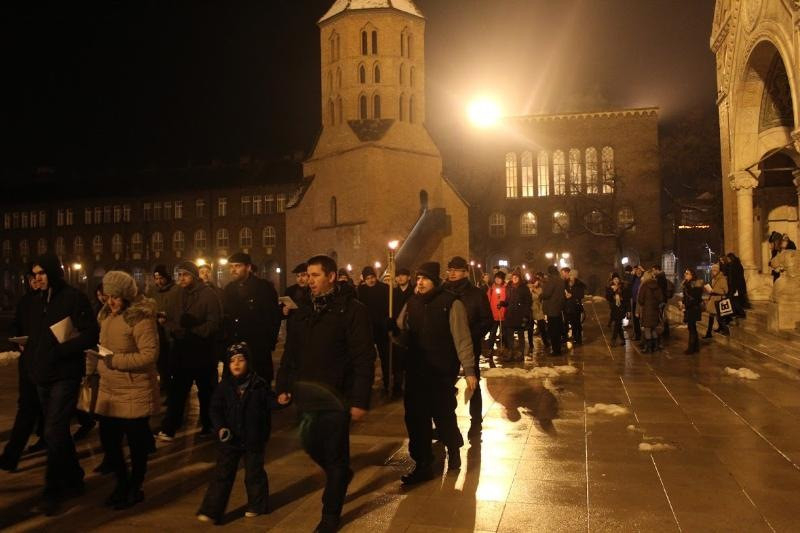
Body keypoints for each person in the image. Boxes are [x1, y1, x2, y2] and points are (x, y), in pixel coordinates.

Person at [275, 255, 375, 533]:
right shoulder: (302, 310)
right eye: (308, 275)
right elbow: (291, 353)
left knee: (335, 454)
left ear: (331, 277)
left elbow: (363, 358)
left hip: (336, 396)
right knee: (311, 444)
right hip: (308, 394)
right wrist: (283, 385)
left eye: (315, 275)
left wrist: (359, 400)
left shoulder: (352, 310)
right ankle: (340, 474)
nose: (310, 281)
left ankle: (330, 514)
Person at [20, 253, 99, 515]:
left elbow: (91, 334)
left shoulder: (73, 298)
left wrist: (62, 350)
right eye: (34, 274)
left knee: (53, 431)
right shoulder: (36, 301)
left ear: (53, 272)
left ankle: (52, 490)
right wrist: (30, 359)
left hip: (65, 374)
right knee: (59, 432)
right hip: (42, 375)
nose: (38, 278)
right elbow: (34, 336)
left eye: (42, 273)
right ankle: (74, 477)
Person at [396, 262, 477, 484]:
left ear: (434, 281)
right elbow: (401, 330)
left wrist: (469, 369)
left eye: (424, 278)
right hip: (415, 371)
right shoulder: (412, 302)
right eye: (418, 278)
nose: (420, 282)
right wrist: (394, 331)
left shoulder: (451, 303)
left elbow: (462, 338)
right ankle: (422, 463)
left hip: (440, 371)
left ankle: (453, 448)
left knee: (443, 416)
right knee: (416, 419)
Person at [89, 271, 159, 509]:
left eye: (116, 297)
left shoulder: (140, 318)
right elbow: (103, 347)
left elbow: (149, 355)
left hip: (134, 389)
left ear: (127, 296)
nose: (110, 302)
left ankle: (134, 486)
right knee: (109, 442)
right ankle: (121, 483)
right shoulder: (106, 316)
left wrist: (115, 361)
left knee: (137, 445)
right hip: (110, 389)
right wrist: (93, 366)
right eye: (108, 296)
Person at [197, 342, 273, 523]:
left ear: (249, 362)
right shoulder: (225, 386)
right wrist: (220, 427)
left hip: (253, 437)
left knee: (254, 473)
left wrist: (281, 400)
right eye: (232, 361)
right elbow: (215, 409)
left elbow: (269, 402)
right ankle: (212, 510)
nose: (236, 364)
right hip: (230, 438)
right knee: (222, 474)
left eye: (240, 360)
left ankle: (257, 504)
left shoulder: (258, 385)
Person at [157, 261, 222, 441]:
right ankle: (170, 427)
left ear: (194, 276)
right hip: (181, 350)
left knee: (206, 391)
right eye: (179, 275)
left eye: (185, 275)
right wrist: (172, 328)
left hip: (202, 350)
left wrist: (194, 331)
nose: (182, 278)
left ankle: (209, 424)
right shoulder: (176, 294)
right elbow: (169, 318)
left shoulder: (208, 294)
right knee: (177, 391)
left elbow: (214, 322)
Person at [0, 268, 45, 472]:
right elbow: (16, 325)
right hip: (28, 363)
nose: (35, 281)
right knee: (27, 408)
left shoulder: (52, 300)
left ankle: (69, 473)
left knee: (51, 418)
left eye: (39, 276)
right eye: (31, 278)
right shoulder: (25, 302)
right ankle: (11, 456)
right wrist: (17, 341)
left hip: (46, 363)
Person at [442, 256, 492, 440]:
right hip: (447, 346)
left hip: (469, 344)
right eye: (450, 270)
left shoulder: (476, 294)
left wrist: (469, 335)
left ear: (465, 272)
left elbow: (487, 320)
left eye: (456, 270)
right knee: (446, 384)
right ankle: (446, 422)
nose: (452, 273)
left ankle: (476, 420)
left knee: (473, 382)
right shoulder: (443, 292)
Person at [223, 252, 281, 383]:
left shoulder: (263, 287)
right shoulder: (229, 289)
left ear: (248, 267)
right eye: (231, 266)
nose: (233, 270)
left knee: (259, 383)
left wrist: (268, 342)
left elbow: (273, 316)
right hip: (236, 347)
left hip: (258, 347)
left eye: (237, 266)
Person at [357, 266, 394, 394]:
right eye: (367, 278)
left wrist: (388, 321)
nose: (371, 280)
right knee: (368, 358)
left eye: (372, 277)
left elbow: (389, 306)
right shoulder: (361, 290)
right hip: (368, 328)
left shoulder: (384, 288)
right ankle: (368, 384)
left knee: (385, 357)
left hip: (382, 328)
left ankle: (387, 383)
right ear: (364, 279)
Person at [149, 265, 180, 393]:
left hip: (172, 332)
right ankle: (164, 384)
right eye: (156, 278)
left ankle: (175, 388)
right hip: (158, 331)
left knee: (173, 362)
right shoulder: (153, 291)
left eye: (161, 278)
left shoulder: (177, 290)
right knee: (161, 362)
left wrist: (168, 316)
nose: (158, 281)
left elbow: (179, 309)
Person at [501, 268, 532, 361]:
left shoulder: (524, 288)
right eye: (513, 277)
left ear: (519, 278)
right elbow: (508, 301)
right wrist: (502, 303)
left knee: (520, 335)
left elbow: (528, 302)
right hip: (510, 315)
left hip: (520, 315)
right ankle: (511, 352)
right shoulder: (509, 287)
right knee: (509, 335)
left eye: (516, 277)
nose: (514, 278)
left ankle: (521, 354)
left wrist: (526, 315)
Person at [541, 265, 566, 355]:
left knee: (553, 330)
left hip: (552, 308)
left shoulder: (551, 280)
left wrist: (541, 295)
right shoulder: (561, 280)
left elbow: (547, 294)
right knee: (557, 328)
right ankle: (558, 348)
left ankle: (556, 350)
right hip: (558, 307)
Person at [637, 271, 664, 353]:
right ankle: (655, 347)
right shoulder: (657, 285)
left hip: (646, 311)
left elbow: (640, 300)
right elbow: (661, 299)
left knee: (647, 329)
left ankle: (648, 348)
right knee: (653, 329)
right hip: (655, 311)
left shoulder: (644, 286)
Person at [680, 269, 704, 355]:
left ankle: (691, 348)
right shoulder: (687, 284)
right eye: (685, 273)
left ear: (692, 275)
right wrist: (683, 303)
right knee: (692, 327)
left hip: (694, 308)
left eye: (687, 273)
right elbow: (685, 296)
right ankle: (695, 347)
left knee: (692, 327)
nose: (685, 274)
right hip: (689, 308)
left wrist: (686, 304)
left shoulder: (695, 284)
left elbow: (695, 298)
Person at [486, 272, 507, 366]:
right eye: (496, 278)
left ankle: (505, 349)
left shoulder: (506, 288)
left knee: (504, 333)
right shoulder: (491, 289)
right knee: (492, 333)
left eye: (499, 278)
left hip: (503, 315)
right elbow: (487, 300)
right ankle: (490, 349)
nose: (497, 280)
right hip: (494, 315)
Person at [704, 262, 729, 337]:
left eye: (715, 270)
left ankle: (726, 330)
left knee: (719, 317)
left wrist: (714, 291)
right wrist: (710, 291)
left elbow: (726, 291)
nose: (713, 271)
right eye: (712, 270)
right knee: (711, 317)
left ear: (718, 270)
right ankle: (709, 332)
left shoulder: (722, 279)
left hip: (719, 299)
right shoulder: (713, 279)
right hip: (713, 299)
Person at [563, 268, 586, 345]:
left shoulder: (579, 285)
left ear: (575, 276)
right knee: (570, 322)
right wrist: (565, 296)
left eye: (572, 275)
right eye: (570, 275)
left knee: (577, 323)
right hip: (567, 307)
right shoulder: (565, 283)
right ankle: (571, 336)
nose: (571, 277)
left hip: (576, 307)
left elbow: (581, 295)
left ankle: (578, 339)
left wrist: (572, 295)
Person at [528, 273, 548, 354]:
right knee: (530, 328)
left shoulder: (540, 289)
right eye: (535, 281)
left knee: (542, 326)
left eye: (537, 281)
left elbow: (541, 296)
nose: (536, 283)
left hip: (539, 309)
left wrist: (535, 291)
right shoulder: (528, 288)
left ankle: (546, 342)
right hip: (531, 309)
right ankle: (530, 344)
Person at [606, 273, 627, 347]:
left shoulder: (623, 287)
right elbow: (608, 297)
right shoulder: (609, 287)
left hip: (621, 308)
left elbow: (626, 298)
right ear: (612, 280)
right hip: (614, 308)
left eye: (617, 279)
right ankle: (623, 339)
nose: (616, 280)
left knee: (617, 323)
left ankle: (613, 339)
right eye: (615, 279)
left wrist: (622, 298)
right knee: (619, 324)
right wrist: (613, 291)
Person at [725, 252, 749, 317]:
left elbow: (736, 277)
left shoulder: (735, 265)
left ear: (731, 258)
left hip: (736, 286)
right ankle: (737, 312)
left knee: (735, 300)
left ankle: (741, 313)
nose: (727, 260)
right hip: (735, 286)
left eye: (728, 259)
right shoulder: (734, 264)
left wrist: (735, 288)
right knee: (734, 299)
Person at [629, 266, 644, 343]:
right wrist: (632, 275)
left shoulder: (643, 278)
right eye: (637, 270)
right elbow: (629, 283)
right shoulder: (634, 278)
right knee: (635, 319)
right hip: (634, 301)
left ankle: (644, 336)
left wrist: (643, 270)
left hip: (641, 302)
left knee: (642, 319)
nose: (638, 271)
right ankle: (637, 335)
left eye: (639, 270)